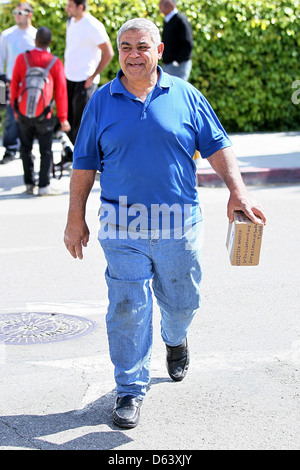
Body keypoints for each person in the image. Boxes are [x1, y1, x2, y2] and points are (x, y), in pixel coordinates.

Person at [64, 18, 266, 429]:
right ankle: (129, 389)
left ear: (158, 51)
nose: (132, 54)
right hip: (122, 225)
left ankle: (175, 339)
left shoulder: (186, 95)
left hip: (179, 225)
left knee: (182, 303)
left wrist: (237, 190)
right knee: (127, 308)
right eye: (125, 47)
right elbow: (84, 164)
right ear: (118, 52)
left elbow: (218, 146)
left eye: (142, 46)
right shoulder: (101, 102)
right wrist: (75, 219)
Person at [10, 27, 70, 196]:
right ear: (50, 43)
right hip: (45, 114)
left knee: (25, 148)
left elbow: (14, 84)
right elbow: (61, 93)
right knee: (45, 150)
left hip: (23, 112)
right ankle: (44, 186)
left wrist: (15, 109)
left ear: (35, 41)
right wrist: (63, 117)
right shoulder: (54, 62)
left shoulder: (23, 58)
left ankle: (29, 183)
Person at [64, 0, 114, 146]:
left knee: (83, 126)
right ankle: (72, 158)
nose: (67, 9)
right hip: (69, 79)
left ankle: (84, 163)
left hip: (85, 81)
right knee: (70, 122)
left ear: (80, 7)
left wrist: (92, 76)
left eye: (70, 6)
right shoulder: (70, 21)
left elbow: (108, 53)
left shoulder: (93, 25)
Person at [0, 2, 37, 164]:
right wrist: (2, 79)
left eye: (20, 13)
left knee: (30, 118)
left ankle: (26, 149)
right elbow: (1, 58)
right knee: (10, 117)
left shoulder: (36, 35)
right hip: (10, 83)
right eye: (15, 12)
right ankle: (10, 149)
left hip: (31, 84)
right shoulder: (7, 35)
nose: (16, 15)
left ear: (29, 14)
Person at [159, 0, 193, 81]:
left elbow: (188, 43)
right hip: (168, 64)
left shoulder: (180, 20)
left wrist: (177, 61)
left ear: (170, 5)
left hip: (178, 65)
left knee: (178, 89)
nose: (159, 6)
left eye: (161, 4)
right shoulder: (168, 20)